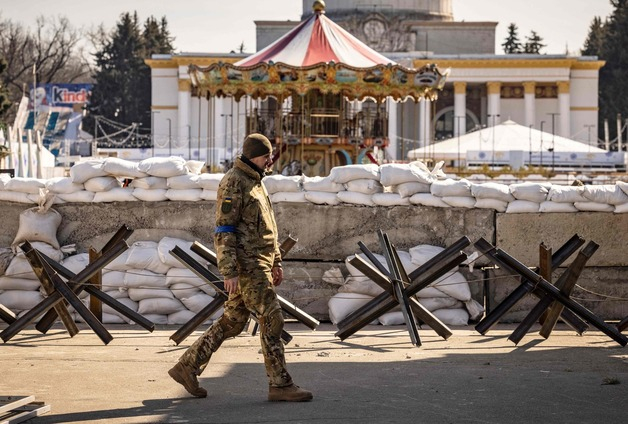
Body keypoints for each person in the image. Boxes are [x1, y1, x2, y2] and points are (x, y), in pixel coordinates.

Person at [168, 133, 313, 402]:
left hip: (261, 263)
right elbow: (224, 229)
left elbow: (268, 227)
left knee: (232, 323)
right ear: (253, 155)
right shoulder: (234, 182)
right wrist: (229, 270)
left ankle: (187, 366)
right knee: (272, 318)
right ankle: (280, 385)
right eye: (266, 155)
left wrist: (276, 261)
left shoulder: (257, 181)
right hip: (247, 266)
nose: (270, 160)